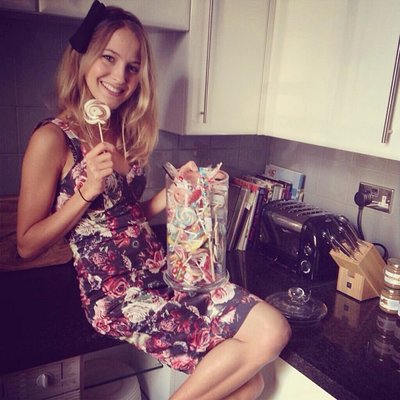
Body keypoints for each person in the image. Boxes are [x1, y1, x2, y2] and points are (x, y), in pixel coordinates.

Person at [17, 1, 291, 399]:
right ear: (84, 59)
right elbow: (26, 245)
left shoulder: (124, 133)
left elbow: (125, 218)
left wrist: (168, 195)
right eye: (109, 58)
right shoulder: (52, 139)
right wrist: (85, 192)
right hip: (116, 293)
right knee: (250, 382)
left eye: (132, 67)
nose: (120, 76)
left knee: (271, 335)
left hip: (164, 271)